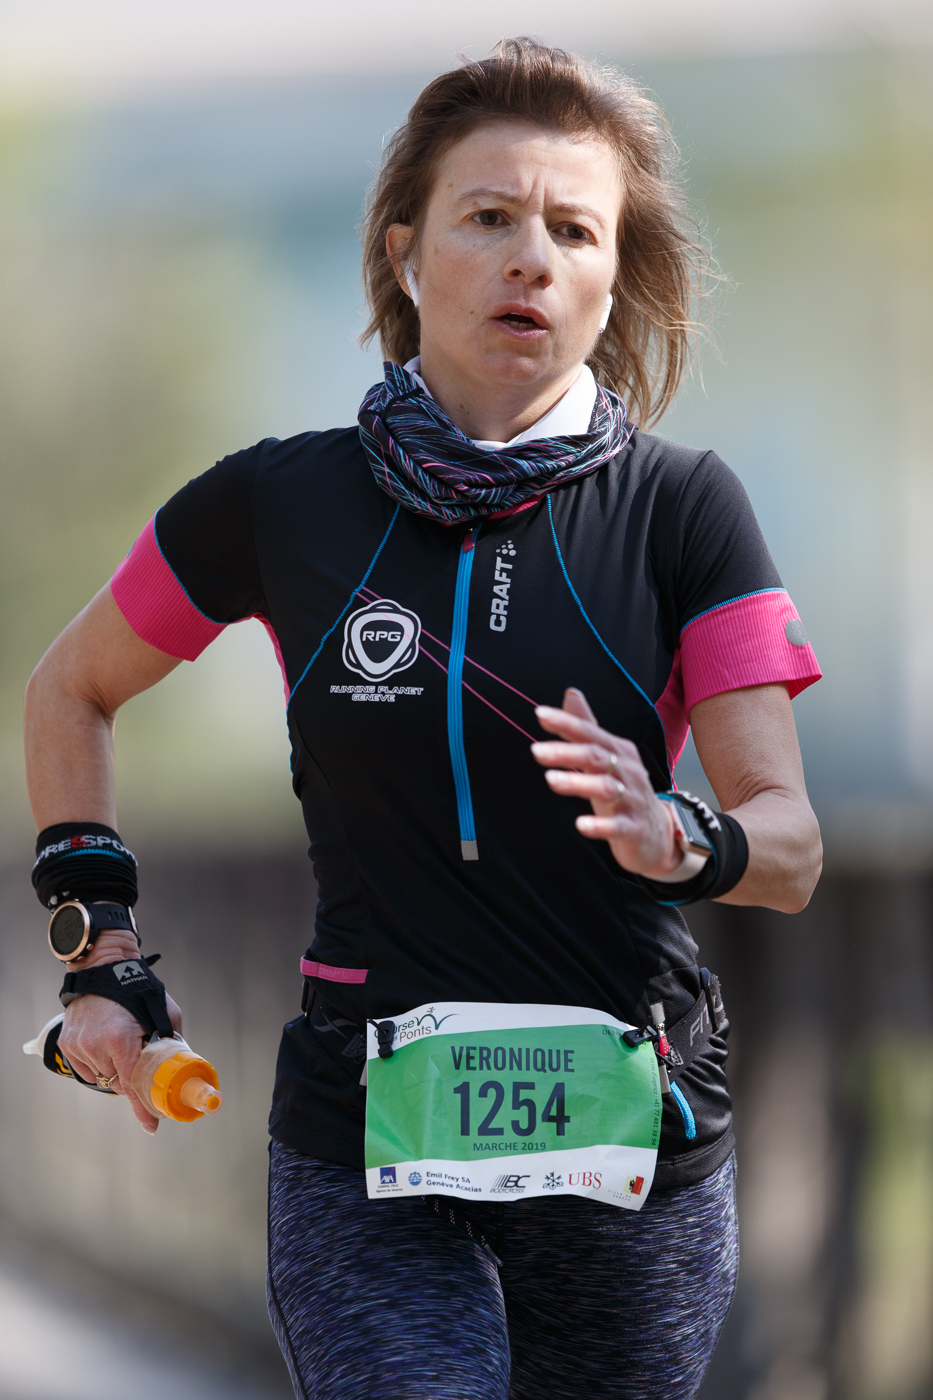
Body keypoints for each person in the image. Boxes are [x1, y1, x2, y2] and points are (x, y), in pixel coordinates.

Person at [24, 37, 822, 1400]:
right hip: (363, 1135)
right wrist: (99, 952)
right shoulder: (277, 502)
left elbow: (789, 849)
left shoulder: (686, 509)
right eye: (489, 217)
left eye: (574, 230)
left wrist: (682, 835)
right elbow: (70, 687)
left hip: (626, 1131)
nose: (532, 260)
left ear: (612, 276)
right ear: (405, 255)